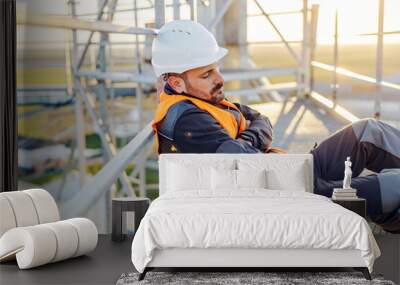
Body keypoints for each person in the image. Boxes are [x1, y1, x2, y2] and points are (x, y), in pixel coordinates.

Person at [151, 20, 400, 233]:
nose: (219, 79)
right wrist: (253, 138)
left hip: (286, 172)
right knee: (395, 184)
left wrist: (246, 140)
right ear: (177, 82)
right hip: (284, 194)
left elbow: (262, 119)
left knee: (368, 131)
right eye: (206, 74)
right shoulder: (187, 121)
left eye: (216, 69)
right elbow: (252, 165)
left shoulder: (208, 101)